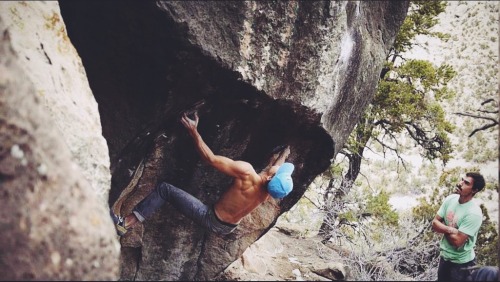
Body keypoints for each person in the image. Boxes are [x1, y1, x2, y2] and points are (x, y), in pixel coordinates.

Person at [111, 111, 294, 236]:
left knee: (164, 189)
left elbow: (211, 159)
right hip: (227, 228)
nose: (280, 166)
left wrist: (193, 131)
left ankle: (125, 224)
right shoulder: (267, 194)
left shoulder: (247, 173)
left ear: (270, 177)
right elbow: (274, 173)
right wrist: (284, 154)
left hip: (210, 218)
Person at [431, 172, 486, 281]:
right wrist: (450, 229)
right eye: (462, 180)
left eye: (466, 183)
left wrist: (442, 227)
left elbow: (457, 242)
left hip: (462, 265)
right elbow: (434, 224)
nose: (460, 183)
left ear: (474, 190)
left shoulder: (473, 213)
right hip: (444, 258)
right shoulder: (450, 199)